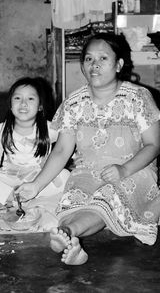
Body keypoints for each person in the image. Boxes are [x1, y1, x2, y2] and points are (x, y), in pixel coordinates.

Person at [14, 33, 160, 265]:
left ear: (119, 64)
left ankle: (67, 234)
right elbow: (62, 150)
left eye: (103, 58)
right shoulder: (74, 103)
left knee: (106, 197)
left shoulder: (138, 98)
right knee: (73, 200)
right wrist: (36, 185)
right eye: (89, 59)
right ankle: (69, 239)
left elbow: (154, 144)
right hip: (88, 171)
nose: (95, 65)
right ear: (82, 65)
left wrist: (124, 169)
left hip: (134, 171)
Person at [0, 77, 70, 220]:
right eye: (17, 98)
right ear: (10, 104)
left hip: (36, 181)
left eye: (30, 99)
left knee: (65, 176)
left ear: (40, 106)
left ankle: (26, 196)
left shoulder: (49, 129)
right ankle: (13, 198)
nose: (23, 103)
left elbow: (67, 145)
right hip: (9, 180)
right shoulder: (2, 130)